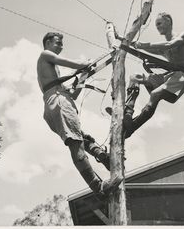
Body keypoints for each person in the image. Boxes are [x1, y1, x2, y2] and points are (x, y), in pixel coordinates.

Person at [37, 32, 122, 197]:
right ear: (47, 42)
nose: (61, 46)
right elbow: (72, 63)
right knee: (76, 144)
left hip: (56, 104)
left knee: (80, 138)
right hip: (58, 102)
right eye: (57, 42)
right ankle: (99, 187)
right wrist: (85, 64)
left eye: (62, 44)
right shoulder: (45, 54)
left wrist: (82, 79)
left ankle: (102, 156)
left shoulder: (53, 75)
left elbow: (73, 96)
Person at [123, 12, 184, 138]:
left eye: (159, 23)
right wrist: (133, 44)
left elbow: (169, 44)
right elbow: (151, 49)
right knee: (135, 77)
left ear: (168, 21)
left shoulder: (182, 36)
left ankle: (131, 128)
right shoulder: (163, 48)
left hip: (182, 76)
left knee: (155, 95)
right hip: (170, 75)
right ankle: (128, 114)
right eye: (156, 25)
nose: (158, 27)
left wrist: (142, 45)